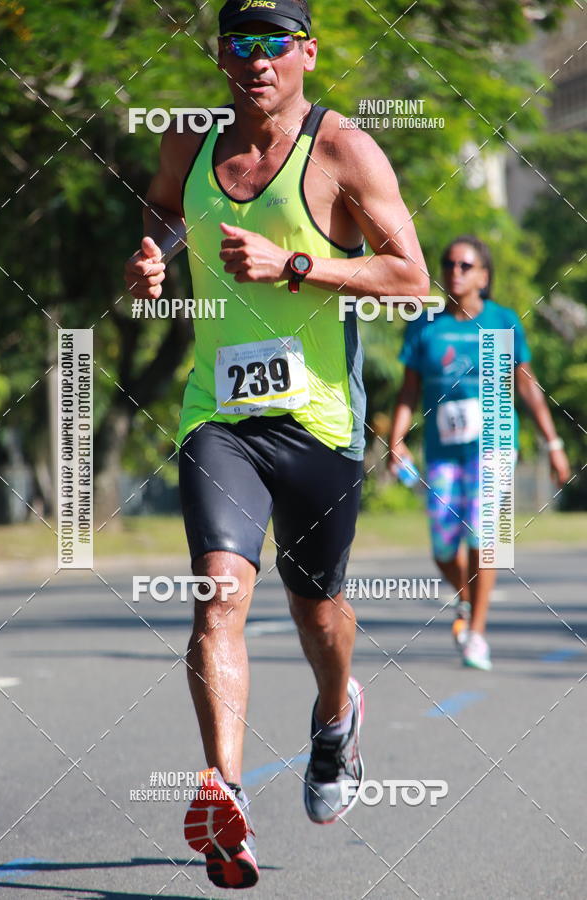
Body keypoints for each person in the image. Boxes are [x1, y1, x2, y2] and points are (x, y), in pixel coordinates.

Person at [125, 0, 428, 889]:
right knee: (218, 596)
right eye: (240, 45)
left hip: (322, 425)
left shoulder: (345, 151)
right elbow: (159, 215)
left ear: (307, 52)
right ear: (221, 56)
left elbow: (408, 273)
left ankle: (337, 717)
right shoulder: (190, 144)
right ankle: (225, 793)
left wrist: (297, 265)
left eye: (275, 45)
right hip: (217, 416)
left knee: (316, 609)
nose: (257, 61)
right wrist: (151, 261)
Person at [389, 235, 570, 672]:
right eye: (449, 263)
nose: (455, 271)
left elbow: (527, 385)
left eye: (466, 266)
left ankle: (476, 634)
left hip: (494, 447)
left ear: (484, 276)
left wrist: (554, 444)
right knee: (442, 546)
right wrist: (395, 442)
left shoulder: (504, 321)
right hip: (443, 452)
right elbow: (408, 391)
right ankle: (466, 598)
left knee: (484, 542)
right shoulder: (425, 327)